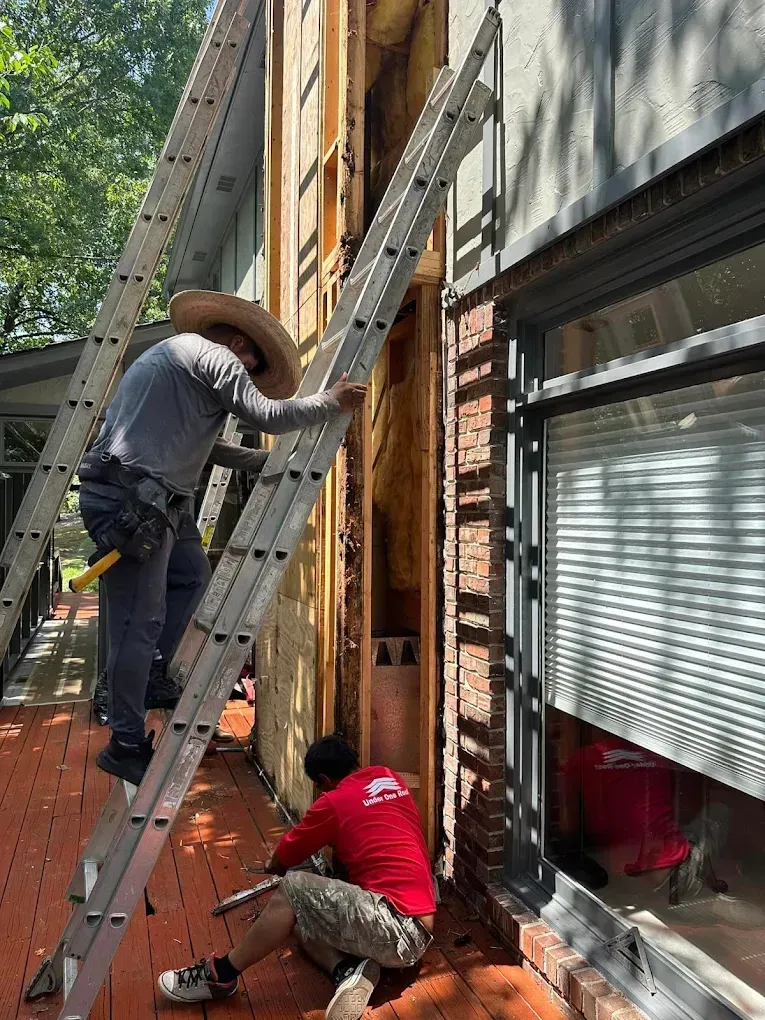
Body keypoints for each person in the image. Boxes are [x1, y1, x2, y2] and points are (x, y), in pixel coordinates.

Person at [79, 291, 366, 785]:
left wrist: (270, 464)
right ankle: (124, 743)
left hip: (154, 499)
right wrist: (331, 403)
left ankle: (150, 673)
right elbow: (267, 416)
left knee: (192, 576)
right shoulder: (216, 357)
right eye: (252, 366)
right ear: (238, 343)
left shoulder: (178, 359)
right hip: (133, 502)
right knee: (137, 625)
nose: (250, 374)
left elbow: (212, 448)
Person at [157, 735, 436, 1019]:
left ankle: (222, 975)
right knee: (301, 918)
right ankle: (347, 973)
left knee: (293, 887)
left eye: (319, 786)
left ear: (324, 780)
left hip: (396, 926)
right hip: (418, 926)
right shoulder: (389, 779)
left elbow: (284, 859)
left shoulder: (333, 802)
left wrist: (272, 865)